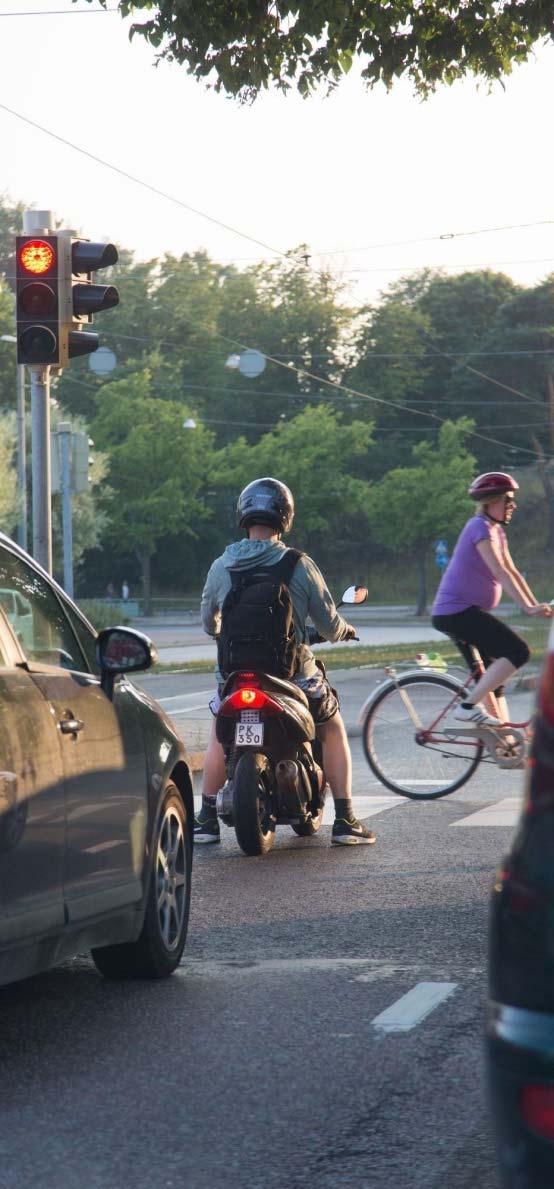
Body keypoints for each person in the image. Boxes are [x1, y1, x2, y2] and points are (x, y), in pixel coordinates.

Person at [196, 476, 376, 846]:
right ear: (285, 516)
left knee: (219, 732)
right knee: (331, 725)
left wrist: (223, 630)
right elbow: (327, 625)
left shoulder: (221, 565)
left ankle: (206, 818)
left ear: (244, 515)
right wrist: (344, 631)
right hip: (292, 676)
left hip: (234, 676)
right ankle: (345, 819)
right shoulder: (298, 563)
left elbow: (207, 622)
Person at [432, 471, 552, 728]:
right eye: (508, 500)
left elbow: (512, 571)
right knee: (518, 652)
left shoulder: (496, 531)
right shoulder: (479, 527)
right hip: (456, 612)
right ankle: (466, 707)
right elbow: (498, 570)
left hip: (463, 611)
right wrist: (528, 608)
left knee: (493, 679)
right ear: (491, 501)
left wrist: (534, 605)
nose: (513, 505)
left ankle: (505, 743)